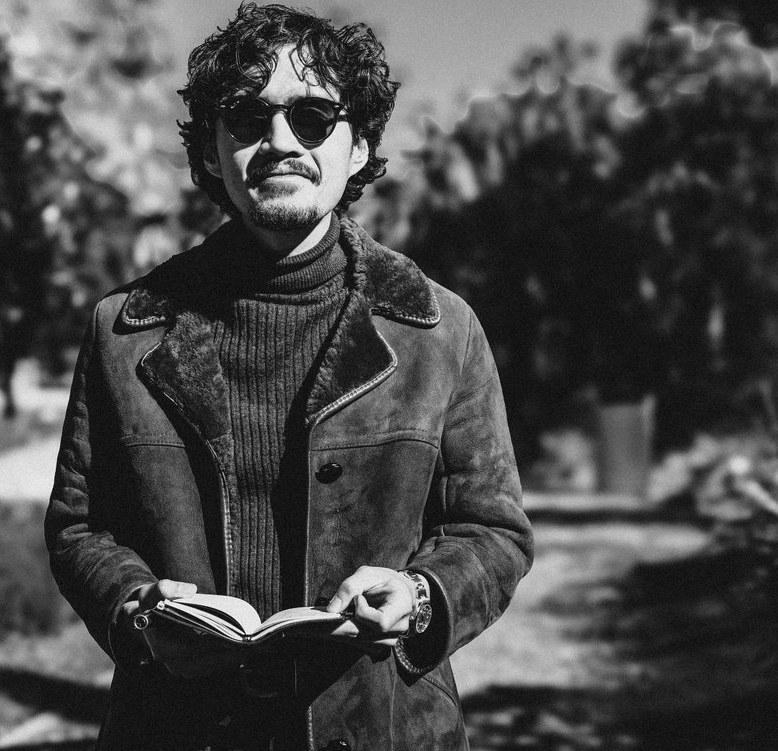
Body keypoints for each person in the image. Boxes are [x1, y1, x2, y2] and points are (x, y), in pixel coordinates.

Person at [45, 4, 533, 749]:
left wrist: (417, 596)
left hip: (383, 726)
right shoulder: (123, 331)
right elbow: (80, 527)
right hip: (176, 728)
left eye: (312, 117)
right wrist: (140, 611)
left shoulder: (440, 329)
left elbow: (492, 530)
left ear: (357, 145)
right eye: (248, 116)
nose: (280, 141)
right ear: (212, 151)